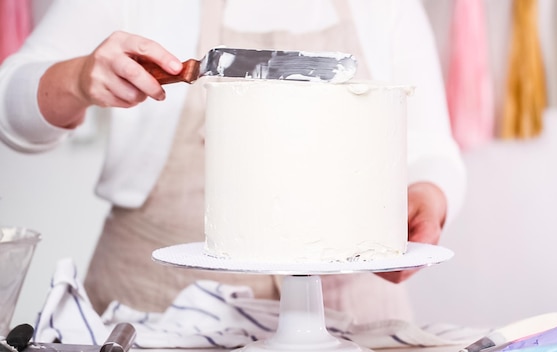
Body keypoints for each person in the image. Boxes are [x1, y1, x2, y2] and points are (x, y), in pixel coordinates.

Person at [0, 0, 465, 324]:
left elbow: (430, 148)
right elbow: (9, 106)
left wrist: (429, 195)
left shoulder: (386, 5)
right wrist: (78, 78)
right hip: (154, 302)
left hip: (351, 309)